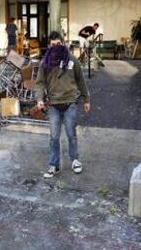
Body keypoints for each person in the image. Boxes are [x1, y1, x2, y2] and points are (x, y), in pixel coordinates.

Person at [35, 31, 90, 178]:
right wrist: (40, 99)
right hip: (53, 104)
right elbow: (39, 83)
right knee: (54, 136)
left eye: (58, 44)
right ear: (49, 46)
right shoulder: (45, 62)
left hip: (70, 103)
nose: (55, 47)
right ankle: (54, 165)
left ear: (63, 43)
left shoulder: (72, 60)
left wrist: (86, 99)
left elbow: (80, 81)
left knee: (71, 134)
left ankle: (75, 160)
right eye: (52, 45)